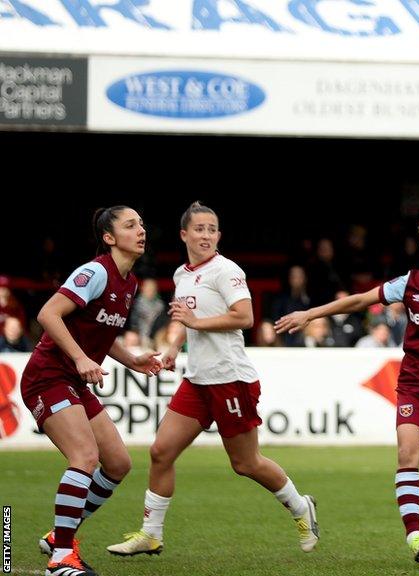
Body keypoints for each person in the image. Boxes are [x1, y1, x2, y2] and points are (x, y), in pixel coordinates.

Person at [276, 212, 419, 567]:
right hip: (415, 386)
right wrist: (311, 314)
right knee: (407, 456)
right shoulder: (410, 283)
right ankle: (414, 535)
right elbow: (358, 301)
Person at [107, 202, 319, 558]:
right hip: (198, 379)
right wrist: (175, 347)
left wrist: (193, 324)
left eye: (211, 229)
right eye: (199, 229)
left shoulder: (227, 270)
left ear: (218, 236)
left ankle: (301, 507)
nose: (205, 235)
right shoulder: (181, 274)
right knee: (161, 452)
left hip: (230, 379)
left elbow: (245, 316)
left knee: (245, 464)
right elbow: (185, 318)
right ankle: (151, 534)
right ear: (184, 234)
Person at [26, 206, 163, 576]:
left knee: (118, 463)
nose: (141, 230)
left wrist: (132, 360)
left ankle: (60, 536)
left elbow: (103, 331)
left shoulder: (129, 282)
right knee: (85, 456)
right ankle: (60, 560)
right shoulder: (95, 272)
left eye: (142, 224)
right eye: (130, 225)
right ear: (108, 237)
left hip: (71, 379)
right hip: (48, 375)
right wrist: (81, 359)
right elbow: (48, 314)